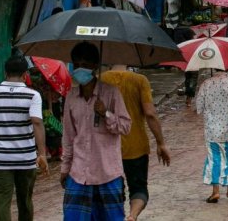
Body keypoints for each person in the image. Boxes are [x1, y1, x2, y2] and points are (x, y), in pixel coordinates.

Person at [61, 42, 131, 221]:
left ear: (94, 66)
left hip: (107, 173)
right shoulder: (71, 97)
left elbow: (125, 126)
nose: (80, 69)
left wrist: (106, 113)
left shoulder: (111, 93)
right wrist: (65, 168)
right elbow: (68, 137)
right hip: (78, 174)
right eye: (76, 64)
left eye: (85, 64)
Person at [0, 57, 47, 221]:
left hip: (1, 160)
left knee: (2, 202)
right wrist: (41, 153)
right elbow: (37, 122)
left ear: (5, 73)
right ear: (25, 74)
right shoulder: (33, 96)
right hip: (26, 159)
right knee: (25, 201)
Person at [98, 66, 170, 221]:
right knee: (138, 188)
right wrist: (161, 142)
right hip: (136, 146)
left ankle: (116, 215)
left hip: (107, 148)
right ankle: (132, 215)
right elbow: (150, 114)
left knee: (112, 189)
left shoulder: (100, 80)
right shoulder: (139, 80)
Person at [195, 67, 228, 204]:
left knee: (214, 158)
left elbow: (199, 107)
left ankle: (215, 192)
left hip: (211, 129)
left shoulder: (205, 84)